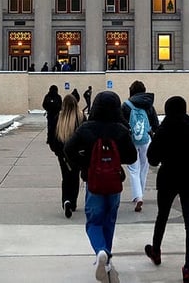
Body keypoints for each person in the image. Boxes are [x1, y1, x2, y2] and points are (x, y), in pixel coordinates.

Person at [64, 91, 137, 283]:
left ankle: (101, 252)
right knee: (109, 221)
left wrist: (86, 164)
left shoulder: (87, 128)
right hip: (114, 182)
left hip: (94, 181)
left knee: (94, 222)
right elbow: (132, 157)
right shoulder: (121, 130)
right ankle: (107, 260)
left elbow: (68, 149)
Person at [145, 96, 189, 283]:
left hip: (168, 179)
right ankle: (188, 268)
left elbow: (153, 159)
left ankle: (156, 251)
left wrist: (156, 140)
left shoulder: (165, 128)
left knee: (162, 216)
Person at [121, 80, 159, 212]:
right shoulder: (149, 105)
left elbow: (122, 124)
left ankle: (138, 196)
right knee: (144, 167)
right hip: (146, 140)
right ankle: (140, 194)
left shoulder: (126, 105)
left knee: (133, 169)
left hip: (132, 140)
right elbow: (155, 123)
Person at [48, 94, 85, 218]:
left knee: (65, 177)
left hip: (62, 153)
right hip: (77, 153)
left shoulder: (58, 118)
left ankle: (66, 200)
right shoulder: (81, 117)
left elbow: (52, 137)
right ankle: (72, 202)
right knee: (75, 176)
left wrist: (57, 151)